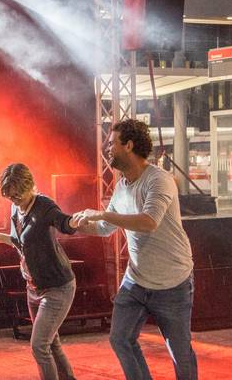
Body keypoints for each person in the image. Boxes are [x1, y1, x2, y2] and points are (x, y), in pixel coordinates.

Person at [72, 119, 197, 380]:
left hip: (172, 282)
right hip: (136, 281)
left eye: (111, 143)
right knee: (120, 339)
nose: (106, 148)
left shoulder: (159, 180)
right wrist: (74, 226)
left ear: (128, 145)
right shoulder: (121, 187)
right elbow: (107, 228)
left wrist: (102, 213)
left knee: (179, 351)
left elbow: (148, 222)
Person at [0, 163, 79, 380]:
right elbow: (19, 242)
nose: (14, 200)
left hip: (57, 287)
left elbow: (63, 222)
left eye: (18, 195)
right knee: (51, 343)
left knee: (39, 346)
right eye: (10, 197)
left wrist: (74, 221)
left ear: (30, 186)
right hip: (33, 287)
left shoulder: (43, 205)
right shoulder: (16, 207)